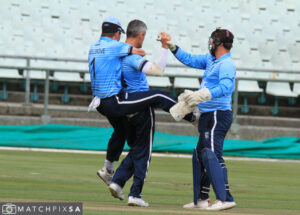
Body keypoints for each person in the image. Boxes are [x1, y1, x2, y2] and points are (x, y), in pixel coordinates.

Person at [89, 17, 195, 195]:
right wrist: (164, 46)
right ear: (141, 35)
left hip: (116, 106)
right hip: (135, 106)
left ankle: (115, 179)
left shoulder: (104, 50)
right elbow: (158, 70)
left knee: (134, 147)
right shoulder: (123, 52)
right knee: (144, 151)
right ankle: (135, 194)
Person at [166, 28, 237, 211]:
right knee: (199, 156)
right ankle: (201, 199)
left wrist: (203, 95)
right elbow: (189, 59)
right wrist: (171, 46)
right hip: (207, 115)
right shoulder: (210, 59)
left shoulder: (226, 64)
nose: (211, 43)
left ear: (220, 43)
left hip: (217, 115)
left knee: (212, 154)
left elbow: (226, 87)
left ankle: (226, 198)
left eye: (213, 41)